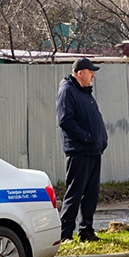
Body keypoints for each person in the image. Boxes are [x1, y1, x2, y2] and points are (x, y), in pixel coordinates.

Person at [56, 57, 108, 242]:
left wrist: (101, 140)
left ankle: (86, 231)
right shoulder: (67, 91)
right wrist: (86, 137)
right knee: (75, 193)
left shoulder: (84, 92)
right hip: (79, 151)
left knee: (91, 194)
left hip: (93, 151)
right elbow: (65, 120)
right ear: (80, 73)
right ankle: (65, 234)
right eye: (90, 71)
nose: (93, 75)